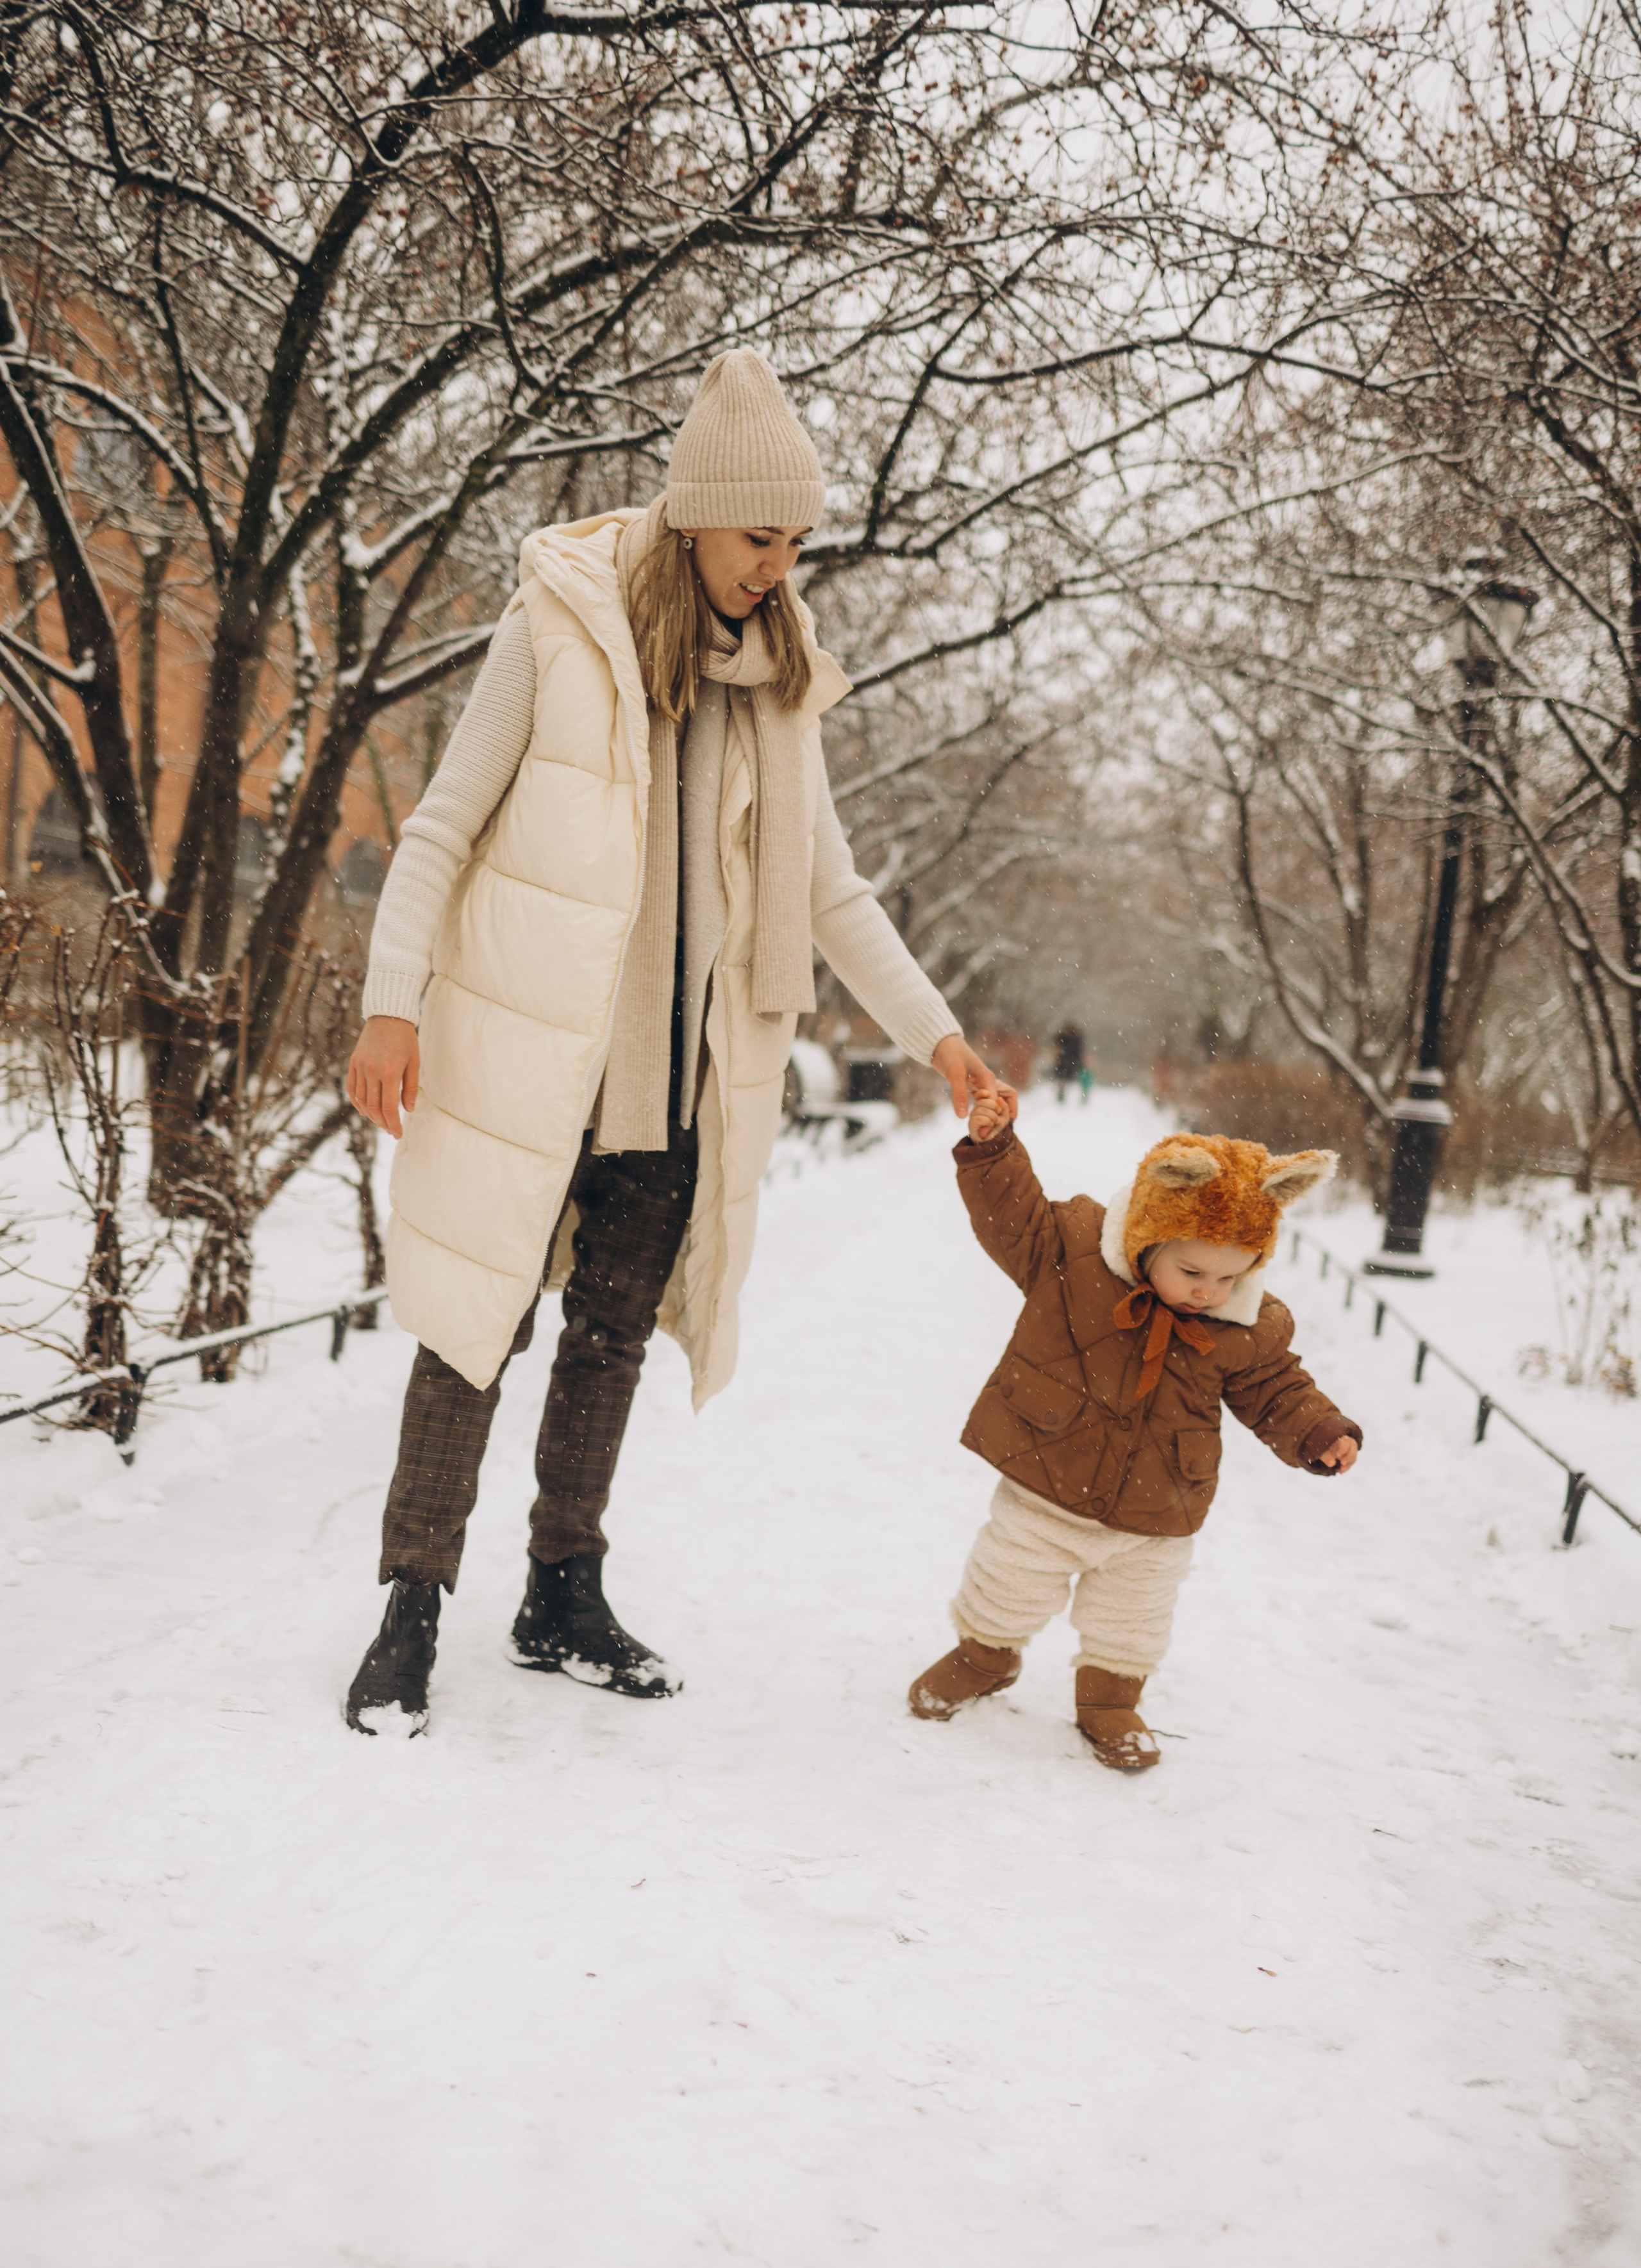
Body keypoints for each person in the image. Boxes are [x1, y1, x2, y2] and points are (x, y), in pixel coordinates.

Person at [342, 351, 1012, 1734]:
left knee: (611, 1341)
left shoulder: (779, 683)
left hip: (678, 1078)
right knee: (475, 1330)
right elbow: (441, 826)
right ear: (697, 517)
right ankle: (411, 1604)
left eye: (794, 541)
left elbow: (828, 889)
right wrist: (389, 1003)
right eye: (761, 536)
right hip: (535, 1067)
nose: (780, 565)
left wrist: (939, 1041)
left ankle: (559, 1590)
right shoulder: (558, 629)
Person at [906, 1104, 1361, 1769]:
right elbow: (1013, 1216)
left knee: (1132, 1618)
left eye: (1229, 1276)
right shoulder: (1069, 1254)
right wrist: (993, 1149)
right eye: (1191, 1272)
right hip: (1048, 1480)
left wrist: (1317, 1430)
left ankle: (1109, 1699)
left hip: (1158, 1507)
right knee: (1007, 1581)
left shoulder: (1246, 1324)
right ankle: (985, 1657)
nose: (1208, 1292)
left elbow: (1274, 1387)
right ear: (1149, 1238)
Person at [1051, 1021, 1085, 1102]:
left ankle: (1063, 1093)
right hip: (1068, 1062)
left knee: (1064, 1079)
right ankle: (1063, 1094)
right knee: (1065, 1079)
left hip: (1065, 1061)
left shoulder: (1069, 1038)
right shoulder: (1075, 1038)